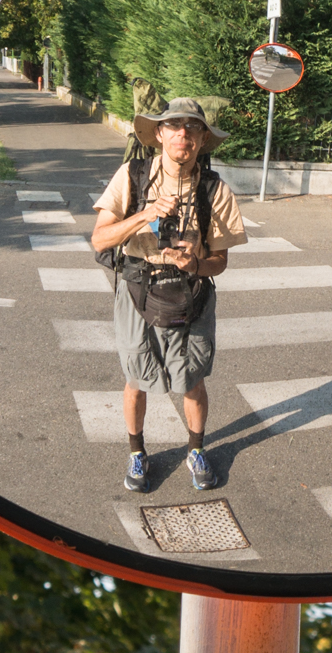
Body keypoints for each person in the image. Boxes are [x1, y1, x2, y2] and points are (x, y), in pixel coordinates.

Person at [91, 97, 247, 493]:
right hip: (137, 291)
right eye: (174, 126)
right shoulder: (132, 176)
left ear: (202, 140)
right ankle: (137, 453)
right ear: (159, 134)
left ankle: (196, 449)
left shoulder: (214, 190)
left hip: (190, 294)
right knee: (135, 378)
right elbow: (100, 238)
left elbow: (220, 261)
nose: (183, 134)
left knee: (193, 381)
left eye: (192, 128)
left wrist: (194, 265)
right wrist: (145, 214)